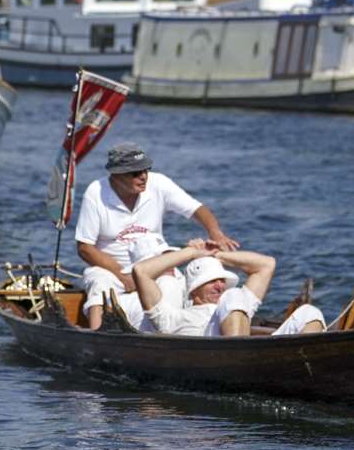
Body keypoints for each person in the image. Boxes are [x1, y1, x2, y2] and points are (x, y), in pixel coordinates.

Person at [74, 143, 238, 328]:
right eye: (135, 173)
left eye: (146, 170)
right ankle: (97, 337)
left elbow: (196, 209)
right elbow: (84, 248)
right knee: (100, 283)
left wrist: (215, 233)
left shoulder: (159, 183)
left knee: (174, 282)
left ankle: (189, 330)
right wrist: (122, 274)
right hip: (111, 269)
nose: (143, 176)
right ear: (117, 175)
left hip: (154, 260)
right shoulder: (95, 192)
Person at [134, 245, 275, 337]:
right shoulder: (171, 317)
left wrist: (216, 255)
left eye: (222, 280)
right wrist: (191, 252)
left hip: (234, 344)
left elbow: (267, 264)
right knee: (234, 294)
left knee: (234, 294)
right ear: (194, 290)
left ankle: (237, 352)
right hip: (208, 353)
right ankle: (236, 354)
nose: (220, 286)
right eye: (212, 281)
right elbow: (141, 271)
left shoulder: (236, 306)